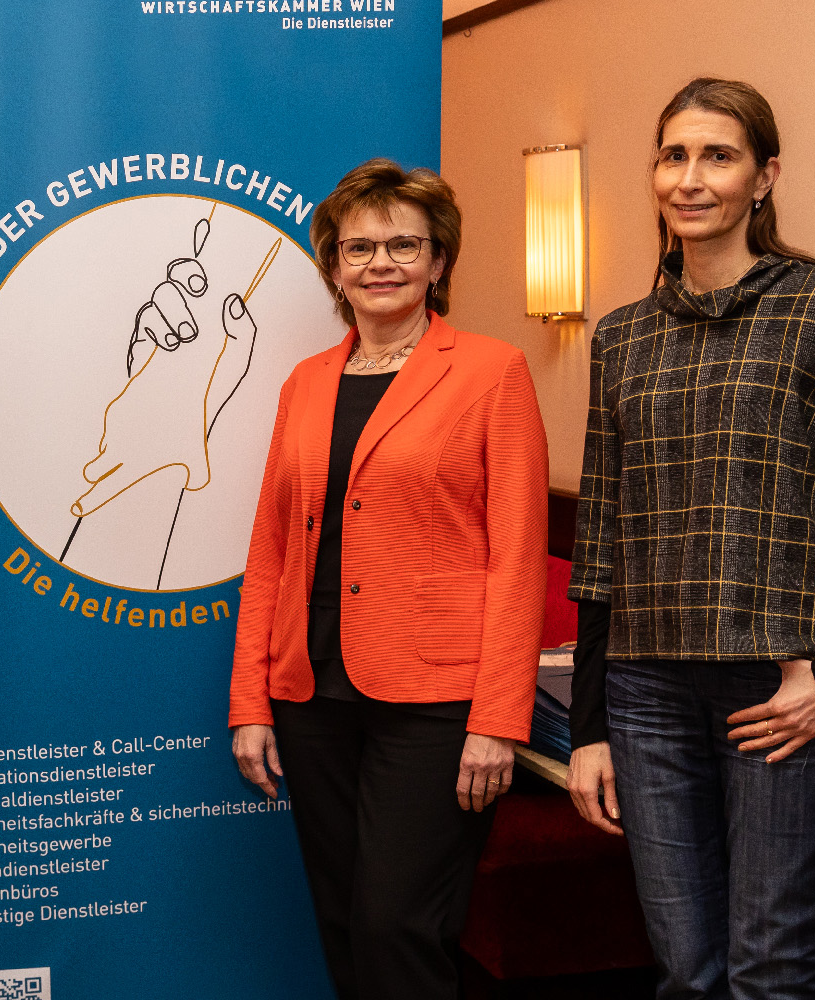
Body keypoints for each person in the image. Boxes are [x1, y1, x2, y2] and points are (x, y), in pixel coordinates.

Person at [566, 77, 815, 1000]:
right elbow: (600, 539)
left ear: (764, 177)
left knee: (771, 972)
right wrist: (588, 730)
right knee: (685, 973)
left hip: (783, 692)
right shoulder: (622, 337)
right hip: (645, 692)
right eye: (673, 156)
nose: (690, 178)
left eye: (718, 156)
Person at [229, 159, 549, 1000]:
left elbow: (519, 555)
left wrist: (499, 720)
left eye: (405, 245)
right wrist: (250, 701)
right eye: (359, 247)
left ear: (439, 261)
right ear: (334, 266)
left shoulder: (492, 371)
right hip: (311, 693)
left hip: (437, 701)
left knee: (396, 925)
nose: (382, 263)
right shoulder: (305, 383)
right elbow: (270, 551)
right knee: (341, 919)